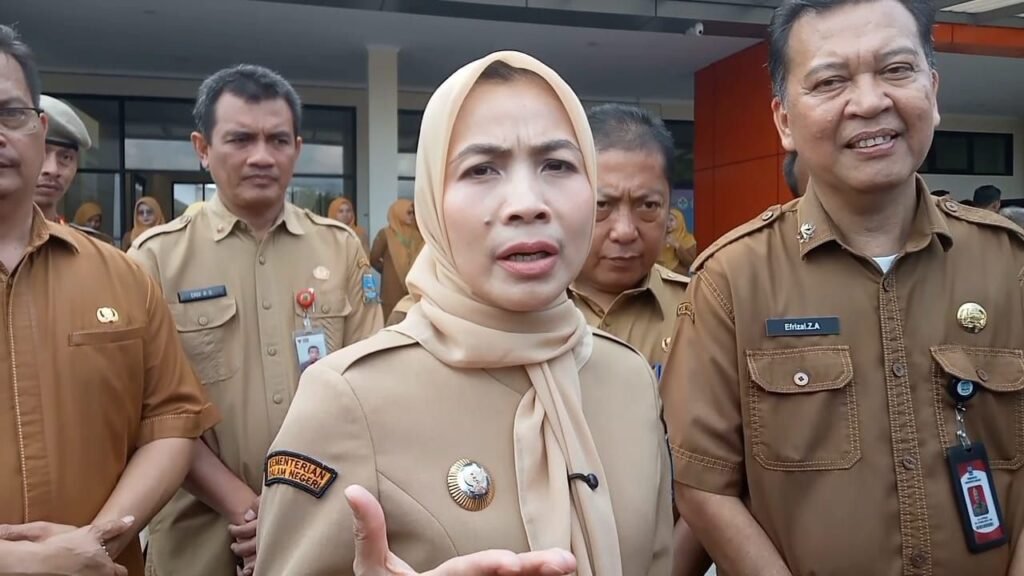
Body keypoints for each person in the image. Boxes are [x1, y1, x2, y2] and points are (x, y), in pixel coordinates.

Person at [255, 51, 673, 576]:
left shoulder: (627, 378)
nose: (527, 203)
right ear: (432, 199)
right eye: (482, 169)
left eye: (558, 165)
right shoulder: (348, 397)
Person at [662, 0, 1024, 573]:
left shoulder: (1010, 264)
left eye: (896, 69)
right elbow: (704, 486)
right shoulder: (731, 281)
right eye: (831, 81)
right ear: (784, 121)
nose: (870, 102)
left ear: (932, 90)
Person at [128, 64, 383, 576]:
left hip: (322, 524)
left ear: (297, 149)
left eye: (278, 140)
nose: (262, 156)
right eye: (240, 139)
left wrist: (291, 506)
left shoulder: (340, 249)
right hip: (198, 540)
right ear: (203, 148)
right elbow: (147, 409)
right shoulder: (154, 260)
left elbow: (373, 388)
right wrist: (247, 508)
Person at [0, 25, 218, 576]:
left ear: (38, 131)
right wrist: (24, 562)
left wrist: (96, 544)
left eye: (10, 113)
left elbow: (170, 421)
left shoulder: (121, 276)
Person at [568, 103, 690, 374]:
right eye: (602, 205)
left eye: (647, 205)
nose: (624, 231)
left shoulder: (702, 310)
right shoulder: (522, 309)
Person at [370, 198, 424, 318]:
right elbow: (373, 258)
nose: (412, 216)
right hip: (392, 289)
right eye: (408, 213)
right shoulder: (386, 234)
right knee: (391, 321)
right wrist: (387, 270)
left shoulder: (419, 234)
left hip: (412, 288)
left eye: (413, 213)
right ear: (398, 212)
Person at [660, 209, 697, 274]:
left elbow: (690, 263)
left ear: (679, 221)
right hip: (659, 276)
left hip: (678, 277)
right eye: (666, 220)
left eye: (671, 220)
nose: (668, 223)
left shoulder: (687, 239)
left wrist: (677, 245)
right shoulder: (659, 236)